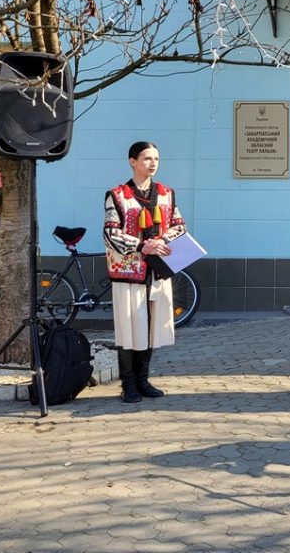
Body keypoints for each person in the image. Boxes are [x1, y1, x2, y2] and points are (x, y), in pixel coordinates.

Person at [104, 141, 187, 404]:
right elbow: (110, 233)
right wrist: (142, 245)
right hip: (129, 272)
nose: (153, 163)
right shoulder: (117, 195)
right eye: (147, 158)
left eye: (156, 159)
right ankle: (128, 385)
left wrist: (160, 242)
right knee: (129, 327)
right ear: (132, 161)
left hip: (157, 271)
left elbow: (179, 226)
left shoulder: (166, 194)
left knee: (150, 327)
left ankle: (143, 380)